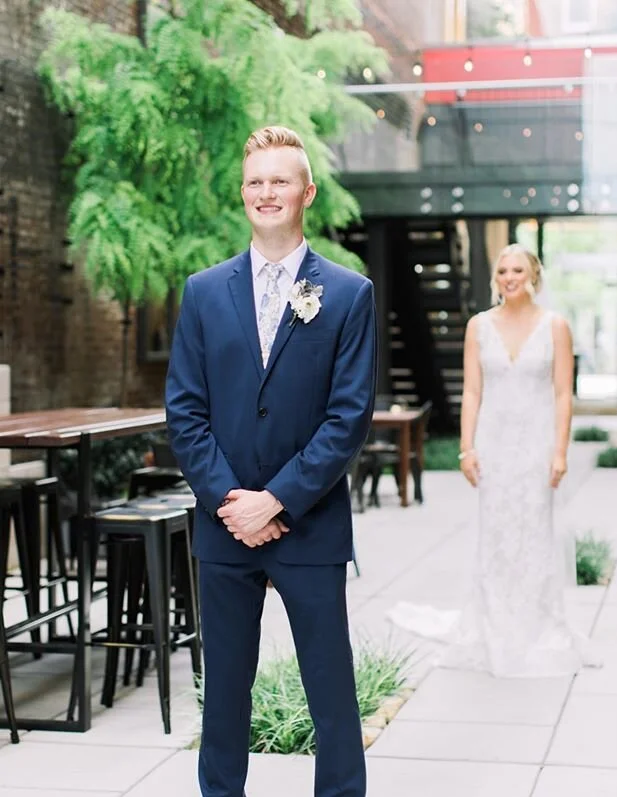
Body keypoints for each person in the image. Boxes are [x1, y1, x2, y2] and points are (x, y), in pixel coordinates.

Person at [165, 125, 377, 797]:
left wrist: (277, 500)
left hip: (309, 524)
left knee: (330, 692)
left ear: (306, 193)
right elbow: (185, 410)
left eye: (280, 180)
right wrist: (233, 502)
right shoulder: (203, 292)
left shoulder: (348, 293)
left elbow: (348, 417)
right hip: (225, 525)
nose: (266, 192)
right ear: (243, 194)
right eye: (255, 182)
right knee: (224, 690)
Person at [387, 243, 593, 678]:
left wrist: (560, 451)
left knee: (535, 532)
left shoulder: (555, 326)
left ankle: (538, 626)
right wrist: (467, 447)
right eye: (502, 271)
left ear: (534, 275)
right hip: (495, 445)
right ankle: (494, 625)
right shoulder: (479, 326)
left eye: (517, 270)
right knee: (496, 531)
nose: (509, 277)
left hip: (536, 445)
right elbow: (473, 391)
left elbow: (562, 394)